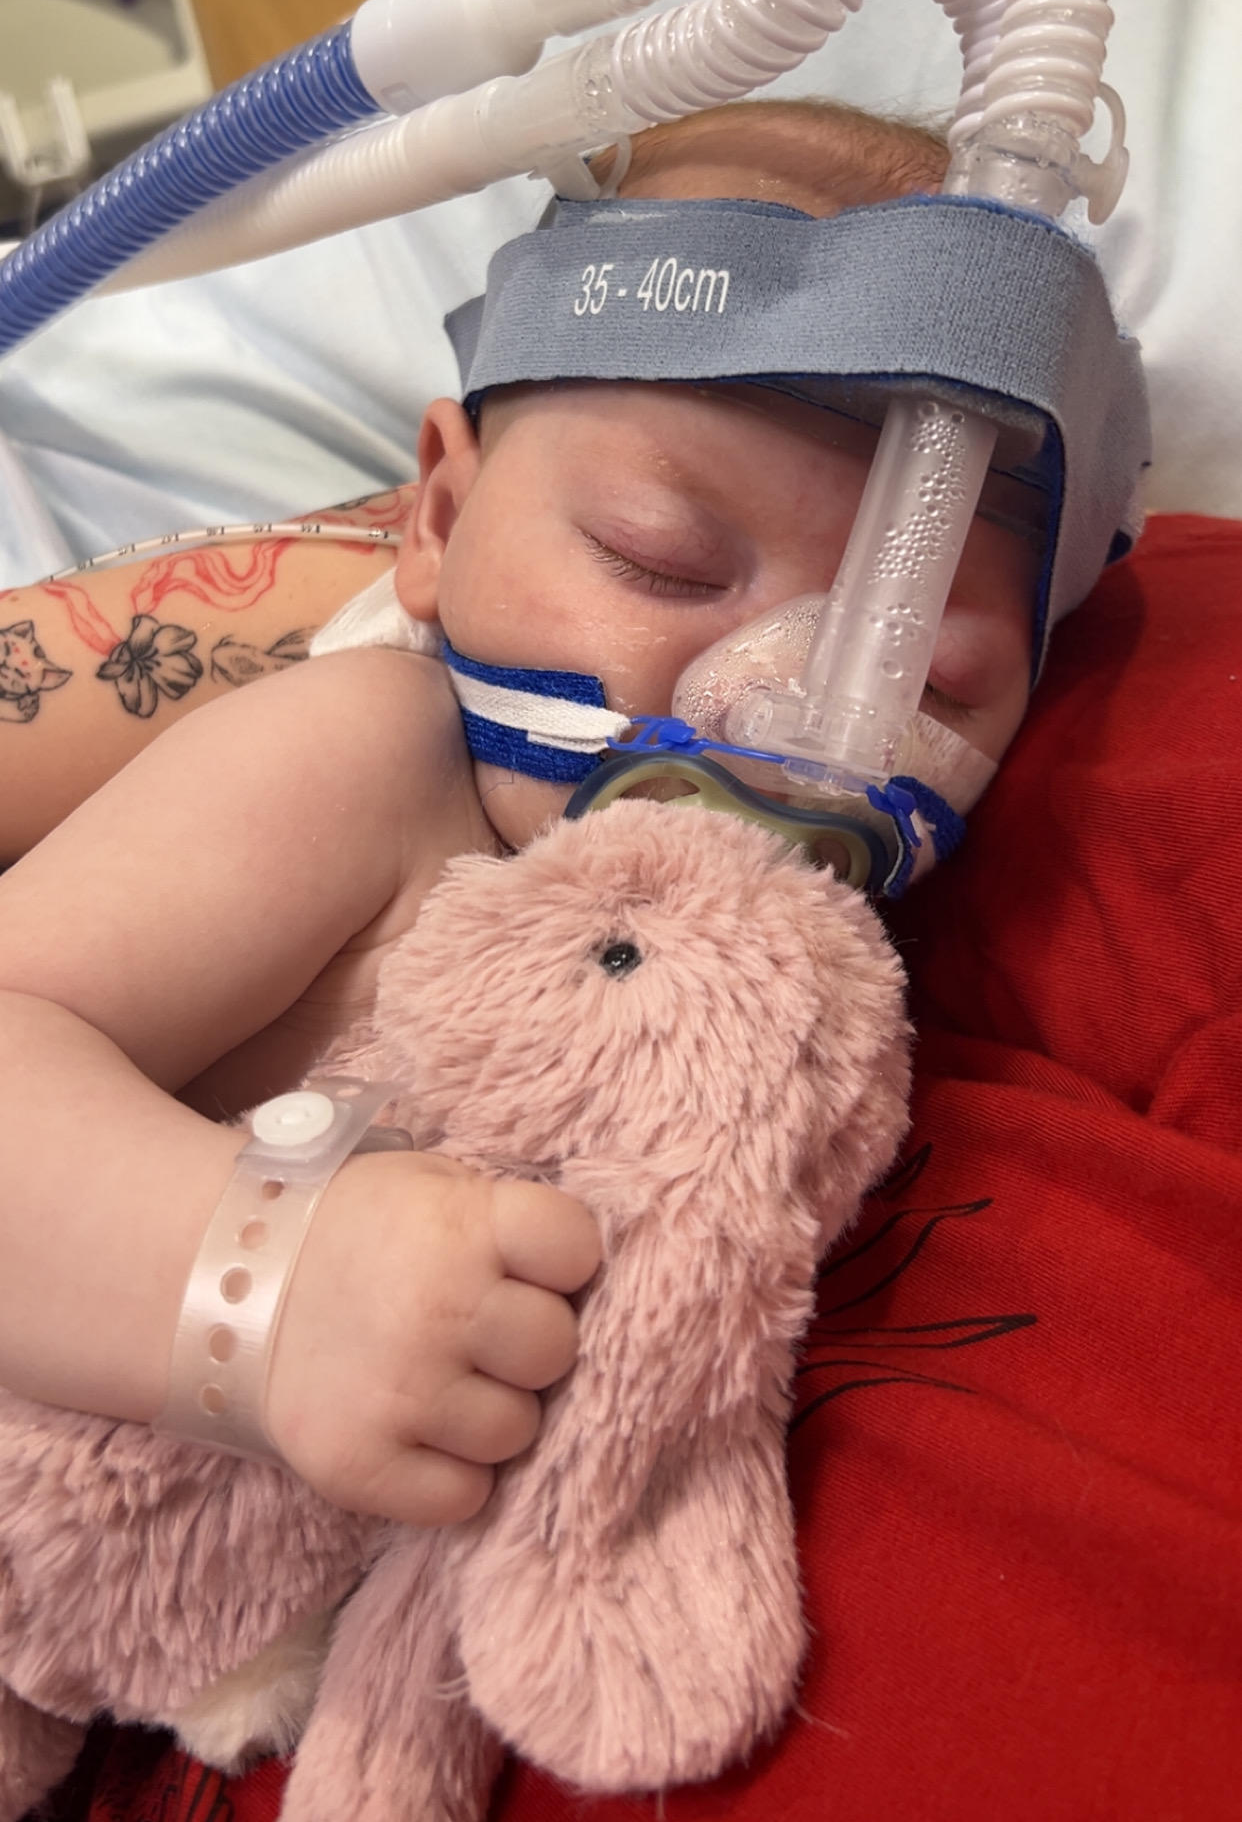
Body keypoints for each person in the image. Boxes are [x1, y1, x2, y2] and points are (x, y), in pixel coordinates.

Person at [0, 99, 1058, 1538]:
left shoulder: (870, 931)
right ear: (440, 518)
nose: (770, 714)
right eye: (660, 564)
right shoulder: (368, 759)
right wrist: (267, 1282)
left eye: (930, 674)